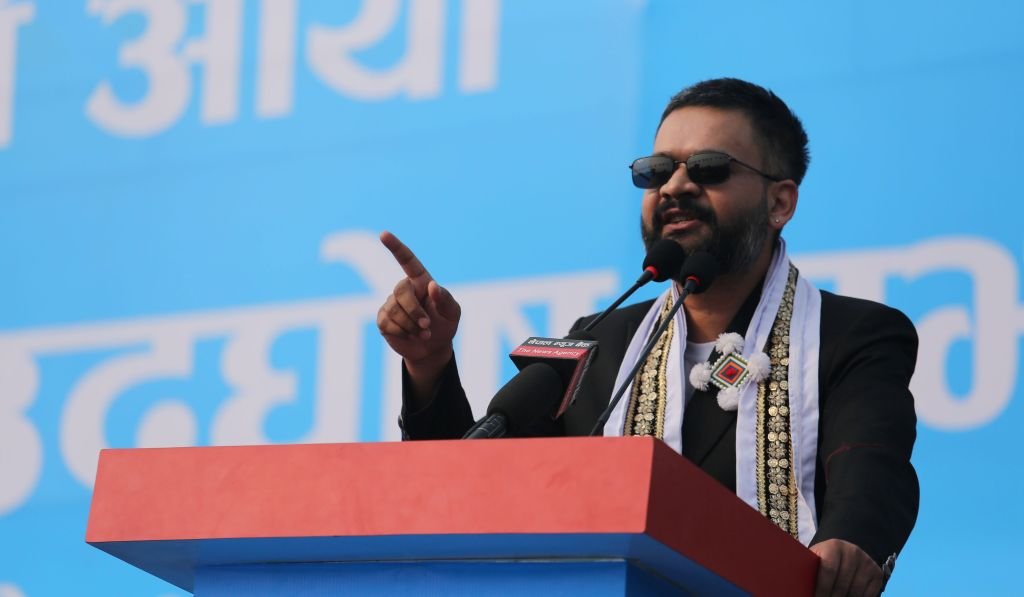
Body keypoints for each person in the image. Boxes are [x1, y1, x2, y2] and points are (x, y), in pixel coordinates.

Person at [375, 78, 918, 597]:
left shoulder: (852, 336)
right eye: (656, 171)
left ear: (779, 203)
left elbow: (871, 466)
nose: (675, 187)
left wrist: (850, 539)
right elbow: (469, 486)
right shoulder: (599, 345)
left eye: (708, 168)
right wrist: (429, 362)